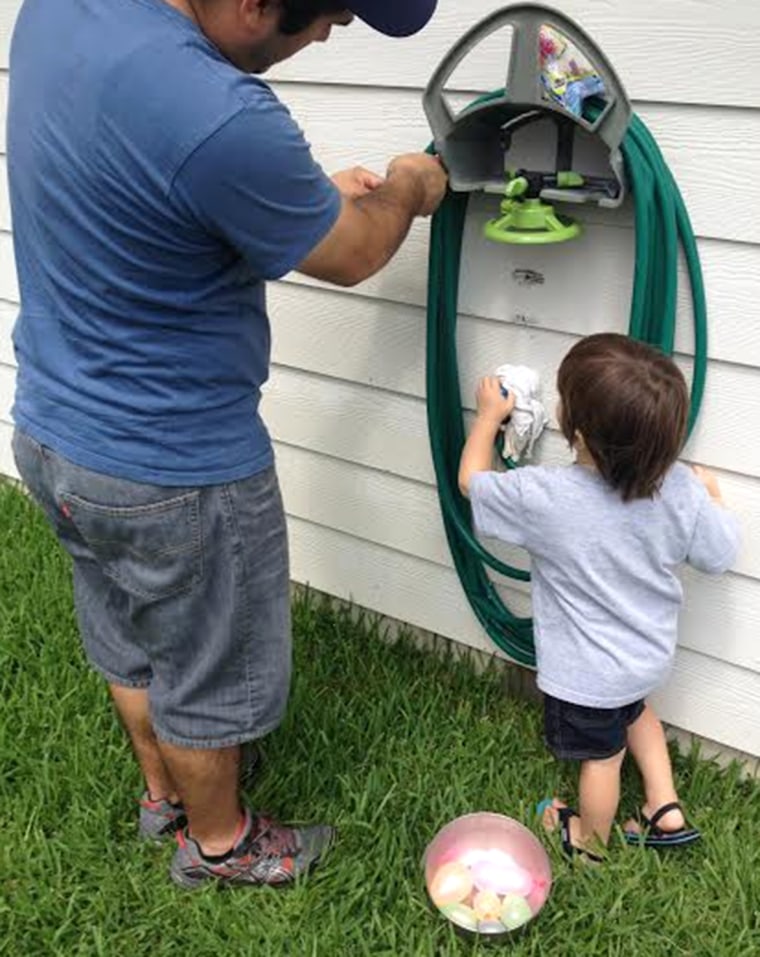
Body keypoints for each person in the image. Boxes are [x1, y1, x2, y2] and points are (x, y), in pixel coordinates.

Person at [8, 0, 447, 889]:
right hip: (172, 469)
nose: (327, 37)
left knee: (131, 635)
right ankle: (221, 844)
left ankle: (161, 793)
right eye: (324, 18)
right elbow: (355, 252)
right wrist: (409, 186)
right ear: (254, 4)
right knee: (205, 667)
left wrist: (297, 196)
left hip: (54, 434)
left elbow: (151, 176)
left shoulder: (59, 11)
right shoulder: (220, 115)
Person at [458, 334, 740, 861]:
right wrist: (714, 499)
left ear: (577, 431)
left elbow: (472, 481)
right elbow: (719, 554)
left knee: (603, 759)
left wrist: (487, 417)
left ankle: (589, 843)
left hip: (585, 677)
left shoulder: (547, 497)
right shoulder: (678, 488)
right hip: (645, 657)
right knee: (638, 714)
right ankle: (665, 809)